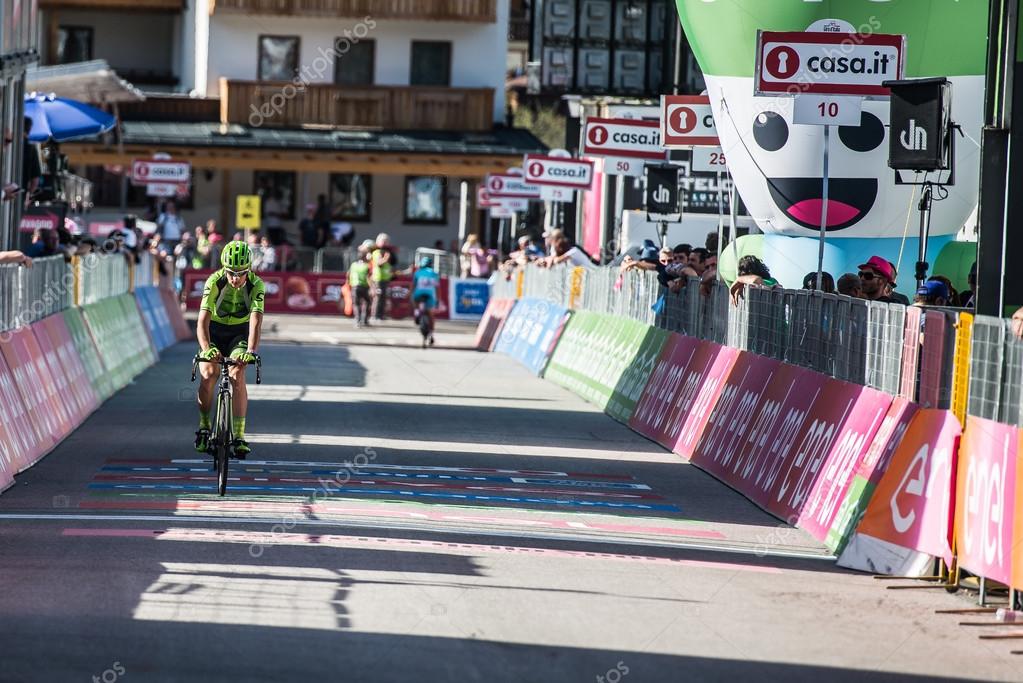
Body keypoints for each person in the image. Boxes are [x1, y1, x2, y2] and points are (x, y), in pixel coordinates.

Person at [195, 241, 265, 460]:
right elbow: (202, 321)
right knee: (209, 374)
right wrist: (206, 348)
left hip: (238, 334)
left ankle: (240, 435)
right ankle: (204, 426)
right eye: (231, 273)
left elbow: (256, 322)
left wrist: (251, 351)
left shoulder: (256, 285)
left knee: (237, 375)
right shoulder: (214, 281)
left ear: (248, 270)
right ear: (224, 269)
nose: (235, 278)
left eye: (241, 273)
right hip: (214, 330)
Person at [410, 256, 440, 346]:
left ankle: (416, 313)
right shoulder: (434, 273)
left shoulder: (417, 272)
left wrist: (410, 295)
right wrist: (438, 299)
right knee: (431, 314)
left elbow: (413, 285)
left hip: (418, 294)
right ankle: (431, 334)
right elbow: (437, 288)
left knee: (414, 300)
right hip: (430, 295)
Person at [371, 233, 395, 320]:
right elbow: (379, 263)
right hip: (378, 279)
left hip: (385, 279)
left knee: (383, 298)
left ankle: (381, 315)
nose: (385, 243)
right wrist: (385, 259)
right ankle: (375, 315)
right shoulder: (376, 252)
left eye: (387, 241)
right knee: (378, 297)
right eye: (383, 241)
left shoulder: (387, 252)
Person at [348, 249, 372, 327]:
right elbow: (368, 278)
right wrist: (372, 288)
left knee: (356, 304)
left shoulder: (353, 265)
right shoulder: (367, 266)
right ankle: (364, 320)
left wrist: (349, 283)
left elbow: (348, 274)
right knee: (367, 302)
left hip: (354, 286)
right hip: (364, 286)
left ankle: (357, 321)